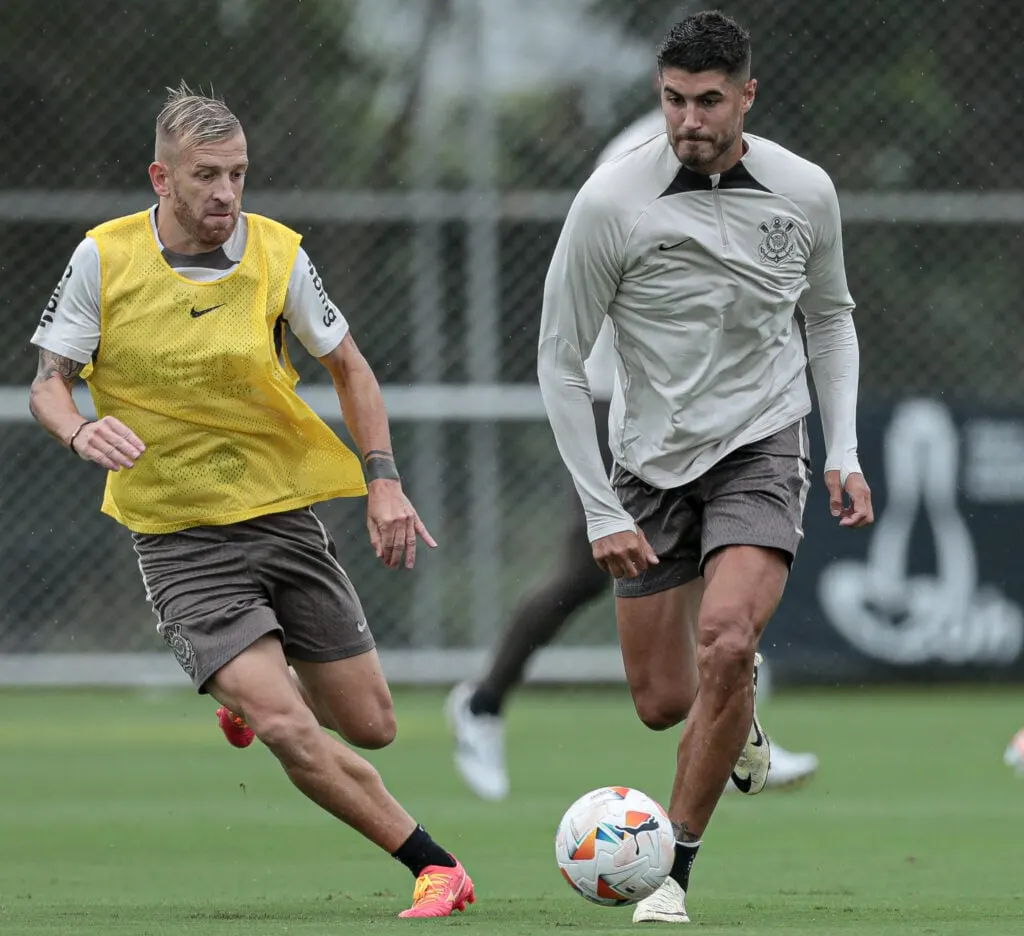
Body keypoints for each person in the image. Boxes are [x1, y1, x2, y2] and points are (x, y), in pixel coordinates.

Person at [27, 82, 475, 920]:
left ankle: (253, 691)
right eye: (206, 175)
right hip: (178, 536)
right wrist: (81, 432)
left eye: (237, 174)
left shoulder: (277, 254)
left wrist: (383, 479)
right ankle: (435, 865)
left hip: (282, 516)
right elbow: (48, 383)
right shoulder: (103, 257)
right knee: (283, 725)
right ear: (160, 177)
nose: (226, 193)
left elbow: (351, 367)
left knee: (371, 725)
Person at [536, 11, 874, 924]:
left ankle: (673, 874)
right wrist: (601, 506)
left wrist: (839, 448)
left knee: (728, 639)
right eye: (676, 100)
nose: (690, 119)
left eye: (710, 100)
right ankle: (740, 720)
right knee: (662, 702)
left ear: (747, 96)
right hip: (649, 462)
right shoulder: (611, 202)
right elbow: (558, 361)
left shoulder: (805, 191)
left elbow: (831, 318)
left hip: (763, 443)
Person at [446, 87, 819, 805]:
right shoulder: (637, 157)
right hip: (629, 403)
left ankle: (740, 728)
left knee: (729, 575)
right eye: (687, 96)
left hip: (713, 411)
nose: (699, 117)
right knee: (588, 571)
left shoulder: (749, 159)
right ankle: (483, 702)